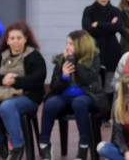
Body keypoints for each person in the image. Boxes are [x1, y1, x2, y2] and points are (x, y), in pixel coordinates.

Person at [0, 21, 47, 160]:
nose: (15, 41)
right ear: (7, 41)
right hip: (0, 94)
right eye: (12, 38)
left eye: (19, 38)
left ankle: (17, 146)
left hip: (27, 96)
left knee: (7, 107)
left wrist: (17, 81)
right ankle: (1, 143)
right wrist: (2, 79)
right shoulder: (1, 56)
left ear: (26, 39)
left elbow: (39, 78)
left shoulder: (34, 55)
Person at [39, 30, 107, 160]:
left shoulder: (93, 57)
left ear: (81, 45)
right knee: (50, 104)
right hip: (64, 96)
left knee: (79, 103)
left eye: (71, 44)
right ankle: (44, 145)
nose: (67, 47)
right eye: (67, 43)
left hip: (87, 96)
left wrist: (75, 63)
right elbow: (54, 87)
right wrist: (64, 75)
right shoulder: (60, 59)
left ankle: (83, 145)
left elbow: (90, 79)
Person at [82, 0, 123, 94]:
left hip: (112, 51)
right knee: (96, 84)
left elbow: (118, 27)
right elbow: (87, 28)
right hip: (95, 49)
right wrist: (109, 25)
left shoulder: (115, 11)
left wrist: (98, 24)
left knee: (110, 86)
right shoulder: (89, 10)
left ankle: (110, 110)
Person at [97, 73, 129, 160]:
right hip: (127, 148)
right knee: (101, 147)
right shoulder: (119, 106)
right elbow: (118, 133)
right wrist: (125, 152)